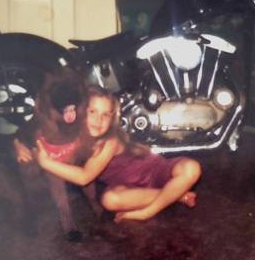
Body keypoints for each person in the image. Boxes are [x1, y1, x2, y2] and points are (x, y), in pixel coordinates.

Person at [35, 85, 202, 222]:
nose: (98, 120)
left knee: (192, 168)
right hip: (129, 189)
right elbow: (42, 133)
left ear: (113, 118)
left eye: (105, 115)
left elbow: (84, 177)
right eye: (92, 112)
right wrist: (19, 145)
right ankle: (175, 194)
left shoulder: (110, 140)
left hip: (157, 172)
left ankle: (151, 208)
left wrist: (46, 163)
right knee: (109, 200)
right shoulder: (75, 136)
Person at [13, 68, 100, 242]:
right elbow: (22, 132)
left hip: (75, 156)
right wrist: (17, 143)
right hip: (51, 160)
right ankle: (68, 224)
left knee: (86, 172)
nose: (69, 111)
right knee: (55, 182)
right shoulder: (42, 117)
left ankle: (96, 206)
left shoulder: (83, 111)